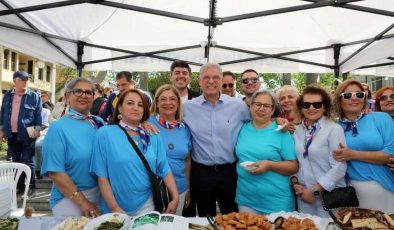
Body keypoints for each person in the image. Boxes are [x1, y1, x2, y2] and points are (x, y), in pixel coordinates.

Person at [90, 89, 179, 215]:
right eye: (130, 103)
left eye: (140, 105)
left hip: (148, 204)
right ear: (120, 108)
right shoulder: (105, 134)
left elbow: (164, 169)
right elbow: (101, 175)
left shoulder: (153, 135)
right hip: (114, 207)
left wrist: (175, 198)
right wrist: (114, 207)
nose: (136, 108)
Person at [183, 63, 251, 217]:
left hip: (230, 171)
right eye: (206, 77)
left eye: (215, 77)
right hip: (201, 173)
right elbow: (165, 120)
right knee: (206, 218)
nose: (211, 81)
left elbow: (256, 124)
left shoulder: (238, 105)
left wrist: (277, 121)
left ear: (221, 81)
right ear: (199, 81)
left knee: (232, 217)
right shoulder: (187, 107)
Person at [41, 77, 104, 217]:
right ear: (68, 96)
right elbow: (55, 173)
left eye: (88, 92)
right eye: (78, 91)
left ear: (93, 97)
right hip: (69, 198)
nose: (83, 95)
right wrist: (83, 202)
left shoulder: (98, 122)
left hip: (100, 195)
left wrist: (144, 124)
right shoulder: (57, 128)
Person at [332, 80, 394, 214]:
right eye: (348, 95)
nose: (354, 98)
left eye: (359, 94)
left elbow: (390, 155)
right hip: (353, 191)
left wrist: (352, 155)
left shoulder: (381, 118)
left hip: (386, 186)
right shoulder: (335, 127)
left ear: (364, 99)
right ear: (339, 100)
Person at [235, 90, 298, 214]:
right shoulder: (242, 128)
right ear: (251, 106)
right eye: (257, 104)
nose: (261, 109)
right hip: (246, 200)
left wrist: (269, 165)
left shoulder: (281, 131)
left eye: (267, 106)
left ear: (273, 110)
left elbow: (293, 166)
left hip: (277, 202)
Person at [292, 85, 347, 217]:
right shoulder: (296, 131)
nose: (311, 108)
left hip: (330, 195)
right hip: (304, 195)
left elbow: (339, 167)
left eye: (317, 104)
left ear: (325, 107)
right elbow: (295, 162)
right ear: (301, 107)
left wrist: (314, 190)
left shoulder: (334, 129)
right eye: (306, 105)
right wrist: (294, 183)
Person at [150, 84, 192, 216]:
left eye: (173, 99)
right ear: (156, 103)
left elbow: (187, 161)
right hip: (152, 191)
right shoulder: (146, 123)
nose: (168, 103)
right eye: (163, 99)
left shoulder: (184, 128)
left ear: (179, 103)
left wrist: (188, 188)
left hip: (180, 189)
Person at [0, 70, 42, 195]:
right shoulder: (7, 95)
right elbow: (2, 113)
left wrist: (38, 130)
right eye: (22, 79)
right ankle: (19, 187)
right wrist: (1, 130)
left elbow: (38, 115)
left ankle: (30, 186)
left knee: (27, 160)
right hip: (11, 133)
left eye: (27, 80)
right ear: (15, 81)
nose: (25, 82)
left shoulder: (34, 96)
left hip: (28, 133)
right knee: (16, 161)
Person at [34, 106, 51, 180]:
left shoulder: (45, 111)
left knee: (38, 145)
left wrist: (36, 131)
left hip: (42, 133)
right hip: (27, 133)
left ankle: (38, 169)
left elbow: (45, 125)